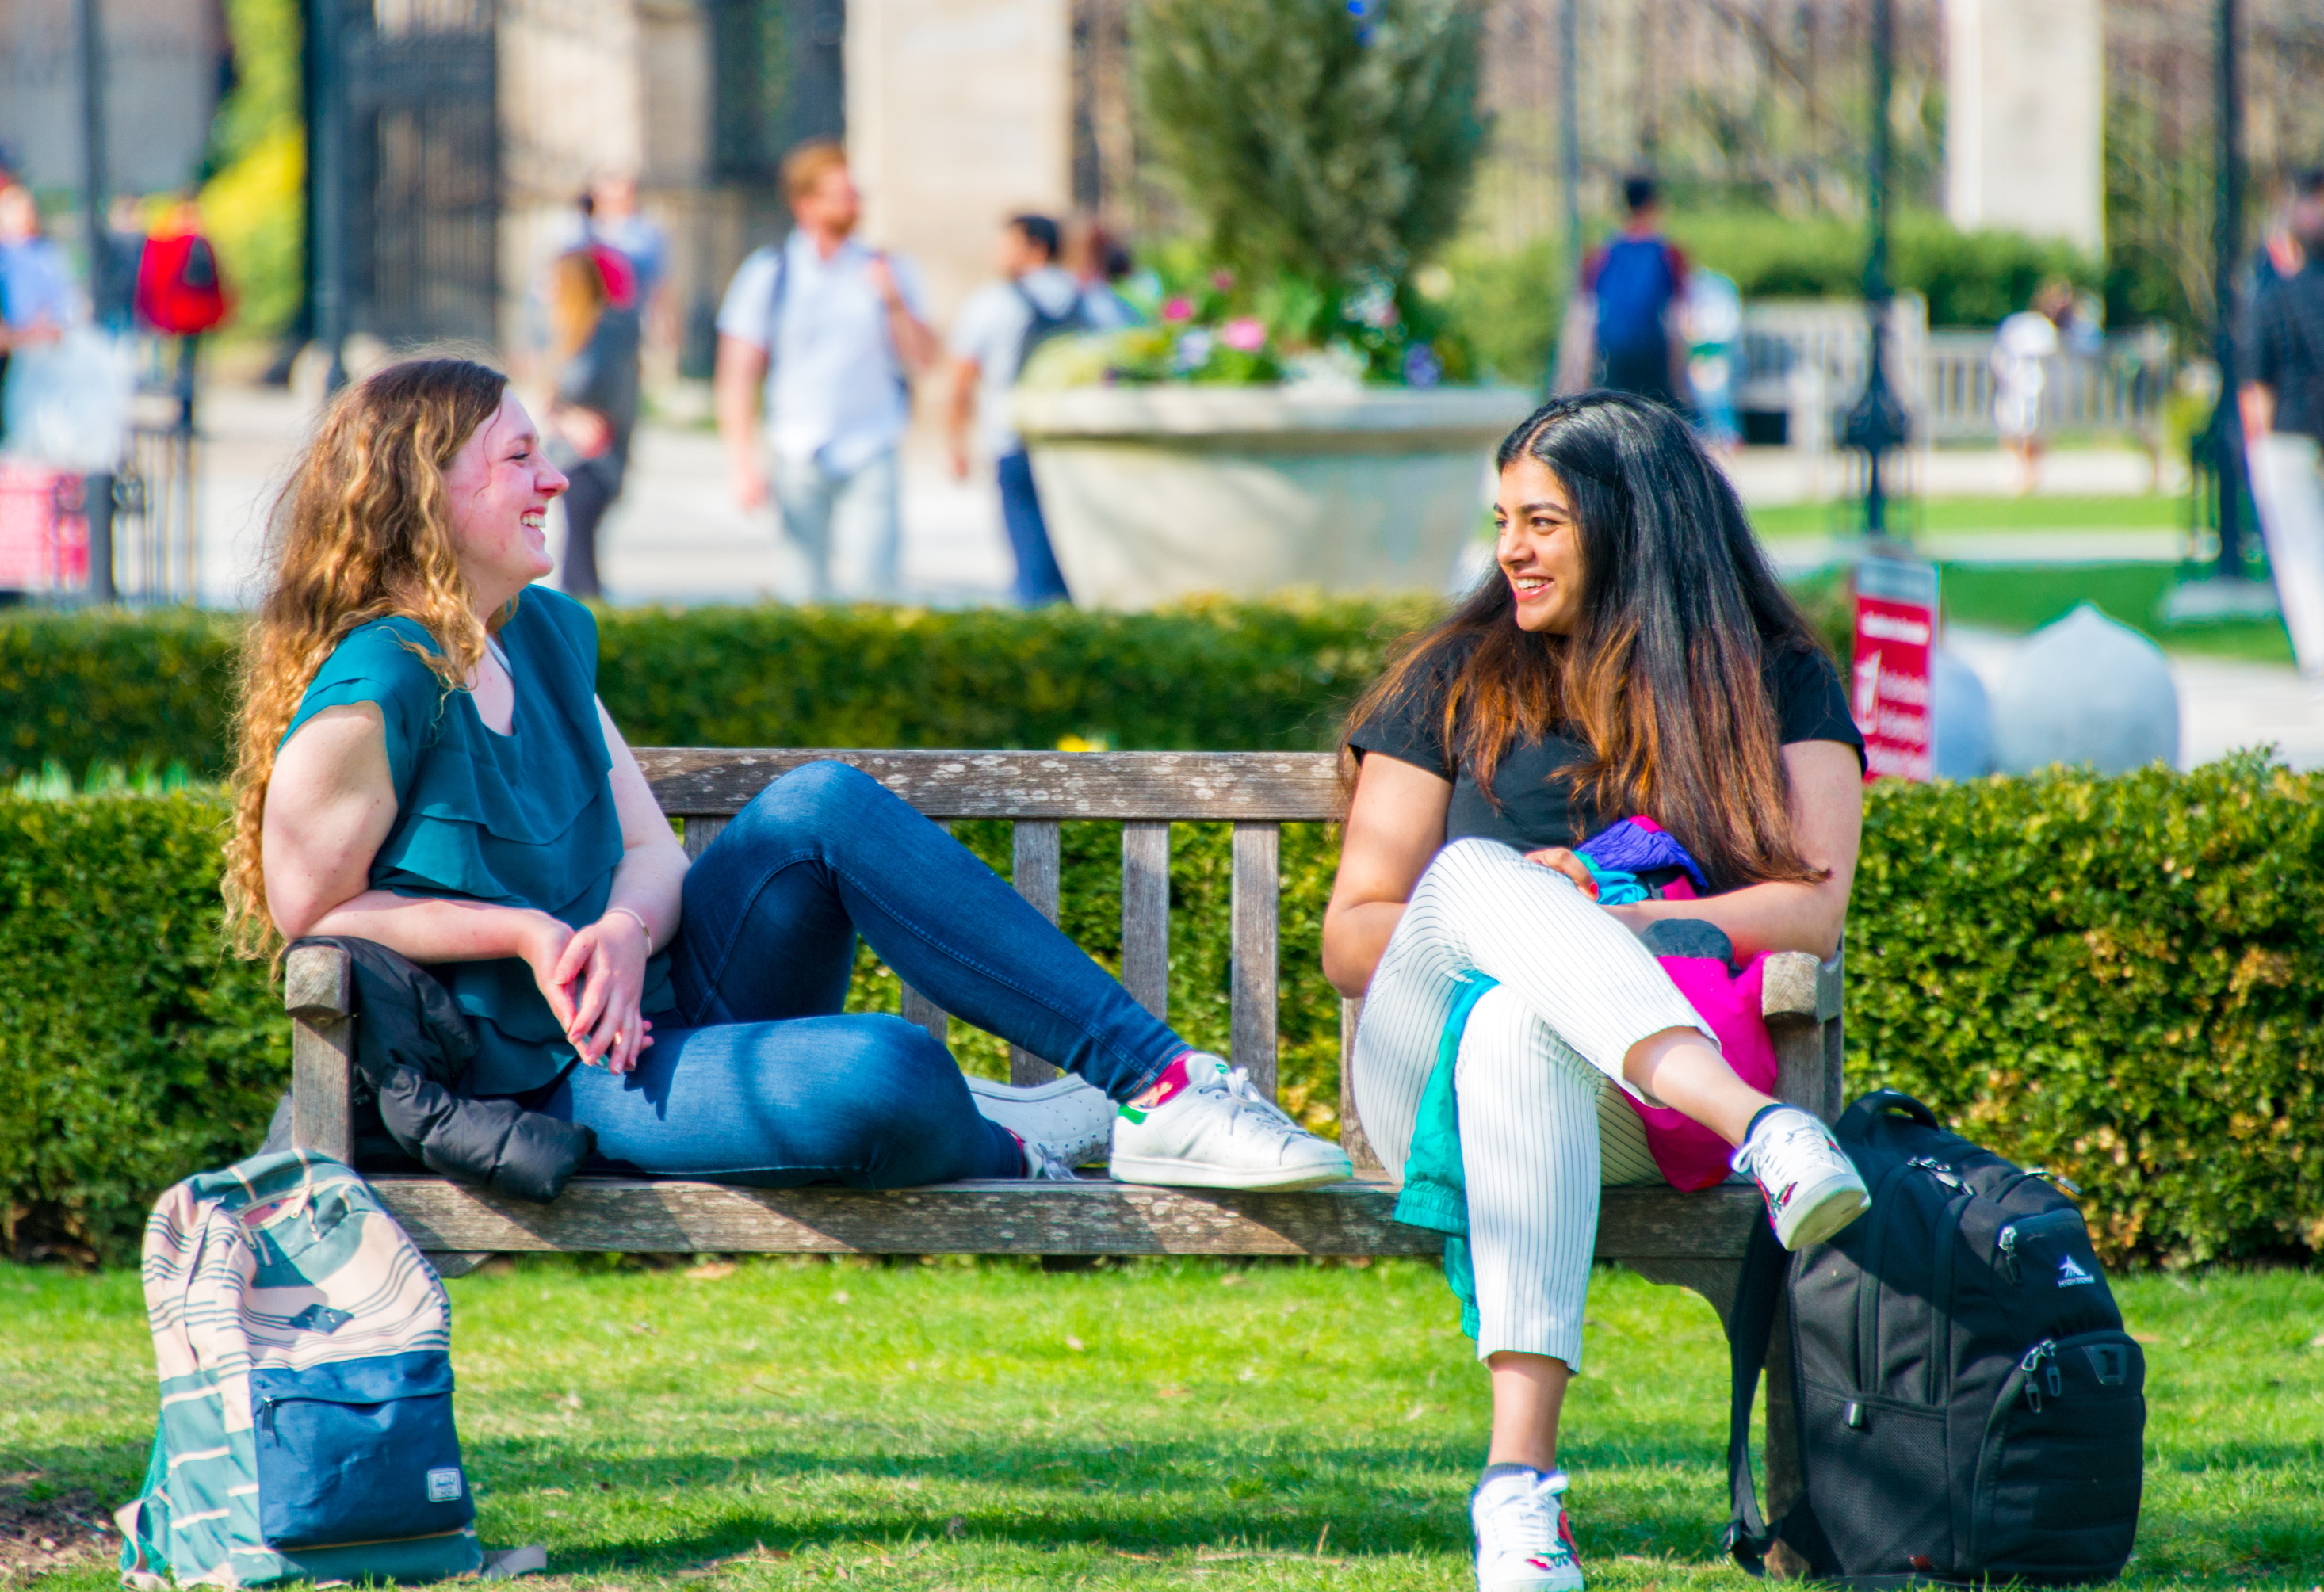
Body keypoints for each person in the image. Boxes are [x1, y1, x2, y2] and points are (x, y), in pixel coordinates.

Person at [228, 357, 1351, 1211]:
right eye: (520, 457)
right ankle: (1013, 1138)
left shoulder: (538, 635)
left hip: (662, 1007)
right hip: (536, 1076)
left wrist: (622, 926)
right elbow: (311, 912)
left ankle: (1161, 1091)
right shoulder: (373, 684)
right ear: (426, 491)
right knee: (890, 1069)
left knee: (819, 801)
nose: (556, 478)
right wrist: (524, 935)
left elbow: (653, 851)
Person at [1323, 392, 1870, 1592]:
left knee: (1529, 1023)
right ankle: (1765, 1132)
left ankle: (1518, 1498)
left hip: (1619, 1087)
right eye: (1504, 520)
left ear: (1632, 523)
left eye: (1545, 521)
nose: (1511, 549)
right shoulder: (1454, 679)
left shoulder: (1776, 682)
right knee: (1473, 875)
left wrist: (1606, 923)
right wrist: (1520, 918)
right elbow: (1357, 929)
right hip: (1422, 1058)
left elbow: (1809, 907)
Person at [714, 140, 938, 602]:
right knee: (803, 591)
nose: (852, 205)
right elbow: (738, 374)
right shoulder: (769, 272)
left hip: (871, 442)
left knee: (877, 588)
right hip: (798, 446)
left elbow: (926, 360)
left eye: (856, 195)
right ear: (805, 203)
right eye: (839, 195)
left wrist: (894, 301)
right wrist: (743, 463)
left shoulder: (888, 269)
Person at [944, 213, 1086, 605]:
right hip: (1080, 445)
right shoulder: (1091, 298)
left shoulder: (993, 303)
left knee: (1032, 566)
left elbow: (961, 382)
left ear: (1034, 248)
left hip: (1014, 442)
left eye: (1005, 244)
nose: (996, 254)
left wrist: (955, 444)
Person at [2241, 169, 2324, 678]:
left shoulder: (2270, 296)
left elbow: (2257, 378)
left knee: (2298, 547)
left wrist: (2257, 442)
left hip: (2289, 431)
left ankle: (2317, 650)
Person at [543, 249, 640, 601]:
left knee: (580, 562)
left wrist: (571, 415)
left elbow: (599, 388)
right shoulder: (568, 330)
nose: (546, 289)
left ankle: (589, 628)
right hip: (571, 454)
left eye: (554, 281)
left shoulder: (606, 331)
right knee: (575, 553)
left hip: (593, 457)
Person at [1558, 177, 1688, 405]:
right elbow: (1679, 319)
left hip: (1613, 355)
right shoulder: (1668, 253)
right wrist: (1682, 379)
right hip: (1654, 354)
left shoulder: (1601, 254)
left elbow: (1582, 320)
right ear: (1654, 204)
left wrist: (1572, 380)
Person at [1991, 279, 2075, 495]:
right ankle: (2020, 473)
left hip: (2036, 389)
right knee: (2019, 429)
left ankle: (2029, 476)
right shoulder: (2032, 327)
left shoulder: (2047, 329)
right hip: (2023, 387)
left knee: (2032, 431)